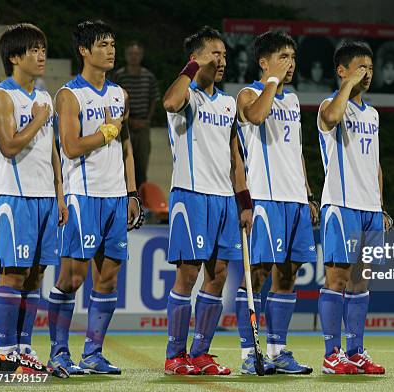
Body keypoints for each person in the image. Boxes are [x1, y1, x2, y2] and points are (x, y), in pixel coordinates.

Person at [47, 20, 143, 375]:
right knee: (71, 278)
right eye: (103, 44)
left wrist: (132, 192)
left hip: (116, 197)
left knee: (108, 279)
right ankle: (58, 352)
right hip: (82, 196)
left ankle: (93, 354)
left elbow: (127, 147)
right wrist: (104, 134)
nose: (111, 50)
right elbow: (70, 147)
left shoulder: (121, 95)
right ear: (84, 51)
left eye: (112, 43)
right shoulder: (69, 95)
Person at [161, 26, 251, 376]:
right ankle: (174, 356)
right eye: (216, 53)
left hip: (224, 200)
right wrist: (190, 69)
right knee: (188, 275)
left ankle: (200, 353)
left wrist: (244, 201)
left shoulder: (228, 103)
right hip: (190, 195)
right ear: (197, 57)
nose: (222, 60)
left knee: (218, 275)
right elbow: (169, 102)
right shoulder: (186, 97)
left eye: (224, 54)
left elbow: (235, 157)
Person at [235, 30, 318, 375]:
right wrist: (272, 81)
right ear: (264, 61)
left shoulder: (294, 101)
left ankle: (278, 350)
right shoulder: (248, 94)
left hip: (294, 198)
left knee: (289, 274)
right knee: (257, 273)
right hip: (265, 198)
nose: (291, 64)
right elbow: (254, 116)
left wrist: (308, 193)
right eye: (283, 57)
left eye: (293, 57)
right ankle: (248, 354)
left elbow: (296, 151)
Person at [0, 23, 67, 366]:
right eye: (33, 50)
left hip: (45, 198)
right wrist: (36, 121)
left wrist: (60, 194)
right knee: (14, 273)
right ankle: (5, 350)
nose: (41, 56)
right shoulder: (0, 96)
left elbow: (52, 151)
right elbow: (8, 146)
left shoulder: (45, 97)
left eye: (43, 49)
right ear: (14, 57)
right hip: (12, 196)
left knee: (36, 274)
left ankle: (24, 347)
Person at [316, 41, 391, 375]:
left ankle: (356, 351)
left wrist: (380, 205)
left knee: (362, 281)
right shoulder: (330, 105)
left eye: (371, 68)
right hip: (341, 205)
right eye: (361, 67)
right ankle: (332, 354)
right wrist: (348, 85)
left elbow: (375, 164)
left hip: (368, 208)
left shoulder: (372, 114)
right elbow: (331, 118)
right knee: (338, 279)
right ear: (342, 71)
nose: (368, 73)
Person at [113, 40, 160, 188]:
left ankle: (141, 201)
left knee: (141, 164)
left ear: (141, 55)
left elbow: (154, 99)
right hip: (125, 124)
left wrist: (146, 120)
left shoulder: (149, 76)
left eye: (137, 54)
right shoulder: (119, 76)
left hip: (143, 125)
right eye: (131, 54)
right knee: (123, 162)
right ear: (126, 55)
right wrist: (128, 120)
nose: (134, 57)